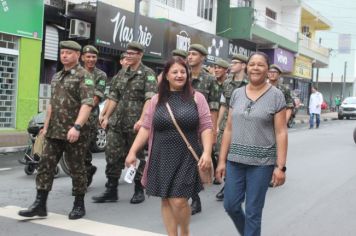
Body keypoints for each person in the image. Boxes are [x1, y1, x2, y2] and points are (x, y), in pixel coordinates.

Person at [125, 57, 213, 236]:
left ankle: (185, 232)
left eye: (183, 71)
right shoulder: (156, 100)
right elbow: (146, 128)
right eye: (175, 72)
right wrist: (133, 151)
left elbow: (206, 127)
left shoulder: (198, 98)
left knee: (179, 201)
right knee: (166, 199)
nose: (180, 75)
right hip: (161, 155)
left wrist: (207, 152)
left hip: (186, 156)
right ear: (166, 76)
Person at [18, 40, 95, 220]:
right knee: (45, 166)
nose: (64, 56)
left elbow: (87, 104)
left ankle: (79, 204)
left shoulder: (84, 76)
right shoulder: (57, 76)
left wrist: (77, 127)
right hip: (54, 131)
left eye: (68, 52)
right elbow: (51, 104)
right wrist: (45, 126)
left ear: (77, 55)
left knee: (77, 168)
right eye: (62, 53)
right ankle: (40, 204)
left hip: (74, 133)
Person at [216, 52, 288, 236]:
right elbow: (229, 128)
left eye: (260, 65)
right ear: (247, 68)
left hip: (262, 164)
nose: (255, 68)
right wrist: (222, 161)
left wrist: (281, 167)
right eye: (252, 64)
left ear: (267, 69)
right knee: (231, 205)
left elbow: (281, 132)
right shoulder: (237, 94)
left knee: (253, 212)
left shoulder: (276, 96)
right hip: (235, 161)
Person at [92, 42, 157, 204]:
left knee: (136, 156)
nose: (128, 56)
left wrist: (143, 120)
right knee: (112, 154)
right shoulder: (121, 74)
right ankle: (111, 189)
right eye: (127, 53)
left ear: (140, 55)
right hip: (117, 122)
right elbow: (114, 96)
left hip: (135, 123)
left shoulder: (147, 74)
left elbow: (149, 99)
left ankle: (138, 189)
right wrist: (106, 115)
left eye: (132, 53)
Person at [187, 43, 221, 215]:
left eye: (194, 54)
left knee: (194, 163)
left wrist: (213, 132)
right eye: (189, 53)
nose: (190, 56)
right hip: (182, 127)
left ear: (202, 57)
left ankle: (195, 199)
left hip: (201, 129)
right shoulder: (181, 75)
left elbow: (213, 108)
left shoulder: (210, 80)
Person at [215, 53, 248, 200]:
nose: (231, 65)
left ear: (243, 65)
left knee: (238, 155)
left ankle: (236, 184)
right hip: (226, 124)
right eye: (231, 62)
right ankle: (228, 185)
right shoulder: (227, 83)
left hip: (244, 123)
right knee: (223, 153)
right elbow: (223, 105)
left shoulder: (249, 83)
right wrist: (216, 125)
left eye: (235, 63)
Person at [81, 45, 107, 187]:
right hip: (71, 116)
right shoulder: (75, 72)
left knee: (84, 147)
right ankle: (87, 168)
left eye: (93, 57)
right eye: (88, 56)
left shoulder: (100, 75)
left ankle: (84, 174)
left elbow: (97, 97)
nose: (91, 59)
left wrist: (84, 109)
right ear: (82, 57)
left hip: (89, 117)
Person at [211, 58, 230, 178]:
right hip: (211, 117)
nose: (216, 70)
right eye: (215, 67)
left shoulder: (229, 83)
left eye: (219, 68)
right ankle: (215, 170)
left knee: (222, 148)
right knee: (211, 148)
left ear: (225, 70)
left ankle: (222, 174)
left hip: (224, 119)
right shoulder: (211, 81)